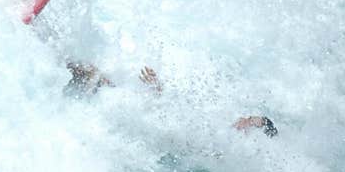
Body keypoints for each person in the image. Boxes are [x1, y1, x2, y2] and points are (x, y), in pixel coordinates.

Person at [63, 62, 278, 137]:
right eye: (250, 116)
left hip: (145, 122)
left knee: (95, 77)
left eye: (251, 121)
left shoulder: (223, 140)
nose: (244, 118)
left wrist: (155, 88)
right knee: (96, 76)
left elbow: (170, 122)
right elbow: (173, 111)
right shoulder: (219, 125)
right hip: (147, 114)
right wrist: (156, 87)